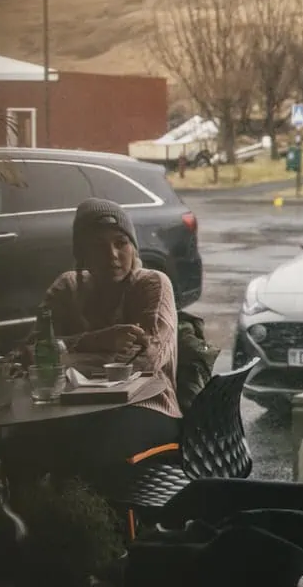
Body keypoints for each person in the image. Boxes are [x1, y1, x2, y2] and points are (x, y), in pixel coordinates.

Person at [13, 199, 183, 491]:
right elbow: (30, 353)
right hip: (66, 409)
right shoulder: (68, 287)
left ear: (134, 247)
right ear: (81, 253)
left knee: (88, 447)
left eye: (121, 243)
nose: (112, 255)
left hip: (147, 407)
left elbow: (146, 362)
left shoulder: (152, 284)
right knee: (19, 445)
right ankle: (37, 529)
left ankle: (101, 530)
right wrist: (99, 340)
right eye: (98, 246)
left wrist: (65, 356)